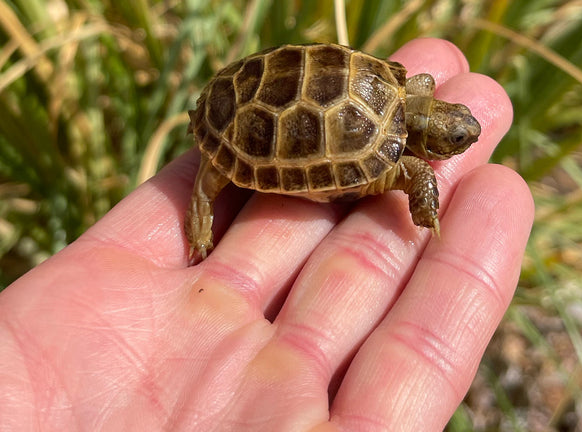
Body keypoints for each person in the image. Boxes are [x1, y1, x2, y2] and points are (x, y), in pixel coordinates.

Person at [0, 39, 534, 431]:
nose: (461, 135)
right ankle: (204, 201)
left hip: (268, 76)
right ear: (431, 141)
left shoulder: (403, 86)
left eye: (457, 129)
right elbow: (415, 165)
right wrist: (425, 208)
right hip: (255, 110)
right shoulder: (410, 157)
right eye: (454, 134)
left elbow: (413, 86)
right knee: (213, 176)